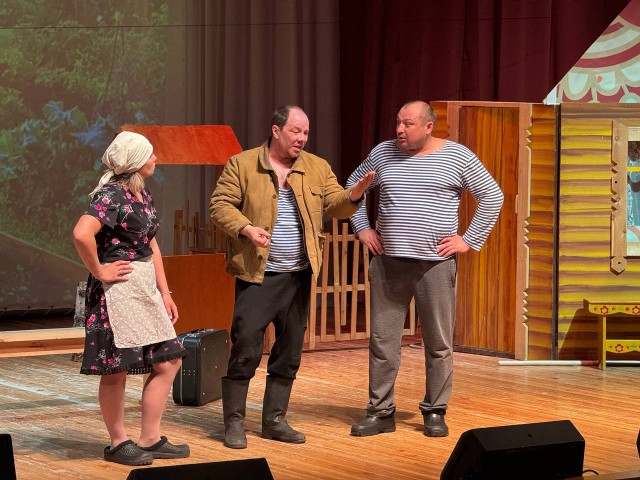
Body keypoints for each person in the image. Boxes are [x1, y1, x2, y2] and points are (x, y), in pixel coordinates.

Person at [210, 105, 375, 449]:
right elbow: (220, 206)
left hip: (298, 276)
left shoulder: (317, 167)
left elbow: (336, 205)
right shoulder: (242, 164)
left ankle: (274, 421)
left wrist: (354, 194)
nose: (301, 138)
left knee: (289, 353)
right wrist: (246, 228)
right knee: (246, 349)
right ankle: (234, 423)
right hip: (258, 275)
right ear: (276, 130)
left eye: (306, 133)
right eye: (295, 131)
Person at [346, 100, 504, 438]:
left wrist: (469, 240)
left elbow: (492, 196)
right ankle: (380, 412)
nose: (399, 130)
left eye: (408, 124)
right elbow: (351, 189)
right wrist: (362, 228)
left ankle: (435, 410)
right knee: (382, 342)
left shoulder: (458, 156)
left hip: (435, 266)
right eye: (398, 123)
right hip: (389, 264)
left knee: (438, 343)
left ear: (429, 126)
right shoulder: (383, 153)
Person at [72, 131, 190, 465]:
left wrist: (164, 292)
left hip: (144, 288)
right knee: (116, 369)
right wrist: (99, 271)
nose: (155, 159)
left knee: (168, 361)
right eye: (150, 154)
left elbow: (150, 244)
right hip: (117, 292)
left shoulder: (140, 193)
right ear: (136, 161)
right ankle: (118, 442)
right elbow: (82, 233)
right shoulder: (110, 194)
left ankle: (150, 438)